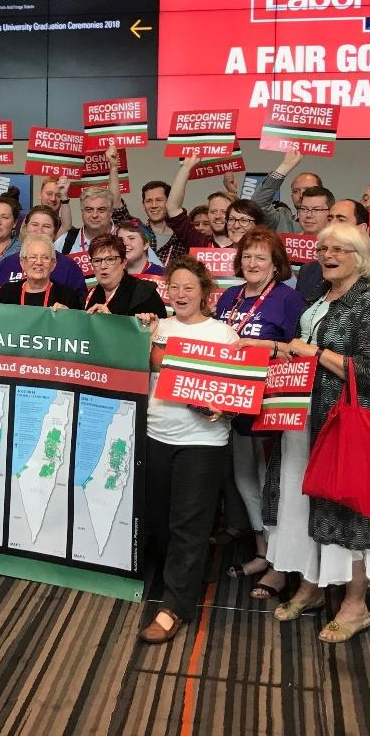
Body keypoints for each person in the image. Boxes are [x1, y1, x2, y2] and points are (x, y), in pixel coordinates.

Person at [266, 223, 370, 643]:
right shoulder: (318, 298)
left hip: (343, 423)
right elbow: (305, 349)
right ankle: (312, 585)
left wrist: (315, 353)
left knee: (347, 509)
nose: (328, 255)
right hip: (304, 418)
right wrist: (288, 352)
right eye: (323, 248)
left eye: (339, 249)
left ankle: (355, 605)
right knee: (306, 505)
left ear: (359, 257)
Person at [136, 256, 239, 643]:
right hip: (155, 434)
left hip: (202, 442)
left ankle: (174, 607)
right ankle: (182, 578)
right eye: (173, 287)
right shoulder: (154, 327)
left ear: (205, 294)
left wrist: (222, 405)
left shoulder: (223, 334)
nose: (180, 294)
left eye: (188, 288)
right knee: (159, 519)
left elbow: (235, 389)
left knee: (189, 526)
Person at [215, 228, 306, 598]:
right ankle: (263, 550)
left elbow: (298, 351)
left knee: (274, 481)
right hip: (233, 400)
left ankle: (282, 563)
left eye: (260, 258)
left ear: (276, 265)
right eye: (247, 256)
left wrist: (263, 344)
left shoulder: (288, 299)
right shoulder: (228, 297)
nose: (252, 263)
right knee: (244, 478)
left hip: (271, 401)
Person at [296, 200, 370, 316]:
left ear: (362, 230)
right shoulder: (308, 272)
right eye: (329, 219)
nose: (332, 225)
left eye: (341, 220)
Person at [0, 204, 87, 295]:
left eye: (46, 226)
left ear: (55, 232)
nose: (39, 230)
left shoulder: (69, 267)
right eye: (35, 224)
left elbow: (80, 307)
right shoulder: (7, 264)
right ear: (26, 227)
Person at [84, 233, 168, 318]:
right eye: (97, 261)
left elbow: (158, 329)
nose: (103, 266)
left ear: (123, 263)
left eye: (110, 259)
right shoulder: (89, 296)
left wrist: (110, 321)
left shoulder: (144, 294)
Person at [0, 235, 83, 309]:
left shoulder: (67, 296)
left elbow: (78, 329)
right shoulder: (7, 292)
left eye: (45, 258)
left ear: (53, 264)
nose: (38, 262)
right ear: (22, 263)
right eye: (33, 257)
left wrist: (69, 317)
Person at [251, 150, 324, 233]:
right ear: (292, 196)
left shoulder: (334, 224)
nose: (301, 195)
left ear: (322, 193)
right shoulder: (282, 221)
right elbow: (258, 203)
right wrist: (285, 166)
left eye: (308, 189)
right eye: (296, 191)